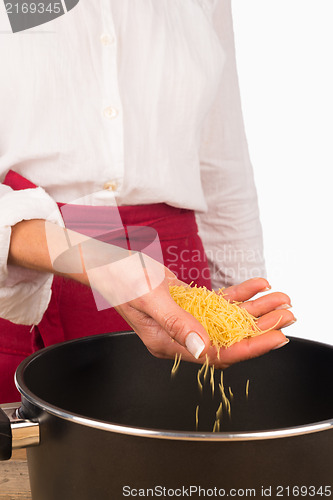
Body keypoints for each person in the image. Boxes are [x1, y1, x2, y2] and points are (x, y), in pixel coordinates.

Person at [0, 0, 294, 403]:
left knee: (183, 446)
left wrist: (243, 320)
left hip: (173, 271)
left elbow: (222, 165)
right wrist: (97, 260)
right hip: (26, 271)